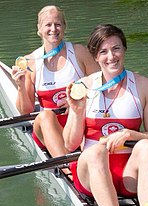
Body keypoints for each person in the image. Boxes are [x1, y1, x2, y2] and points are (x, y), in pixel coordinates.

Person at [63, 24, 148, 206]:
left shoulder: (144, 86)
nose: (111, 57)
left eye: (116, 49)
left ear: (124, 50)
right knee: (97, 151)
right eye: (104, 52)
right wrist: (78, 111)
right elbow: (70, 145)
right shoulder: (82, 87)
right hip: (91, 176)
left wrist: (132, 134)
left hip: (129, 175)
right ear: (96, 57)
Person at [11, 5, 99, 159]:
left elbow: (103, 84)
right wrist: (20, 87)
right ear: (39, 29)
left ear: (64, 27)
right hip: (48, 128)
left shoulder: (79, 53)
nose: (53, 29)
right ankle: (67, 168)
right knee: (45, 116)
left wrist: (80, 98)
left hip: (77, 123)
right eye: (48, 25)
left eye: (58, 24)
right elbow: (25, 111)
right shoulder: (30, 62)